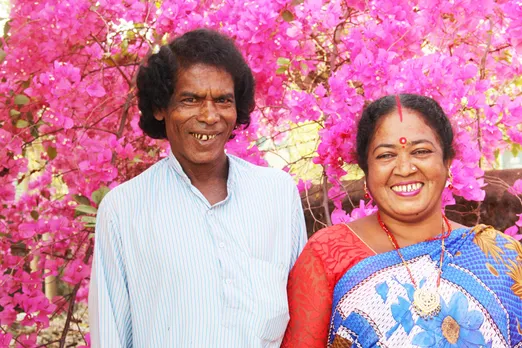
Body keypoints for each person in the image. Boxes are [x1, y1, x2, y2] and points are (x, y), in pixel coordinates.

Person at [88, 28, 307, 347]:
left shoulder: (277, 193)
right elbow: (110, 335)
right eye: (190, 100)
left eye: (222, 101)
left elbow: (302, 316)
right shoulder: (124, 210)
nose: (209, 116)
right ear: (161, 108)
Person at [282, 94, 522, 347]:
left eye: (421, 151)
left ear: (447, 162)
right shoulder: (327, 255)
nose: (405, 168)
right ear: (366, 171)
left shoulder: (501, 257)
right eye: (386, 155)